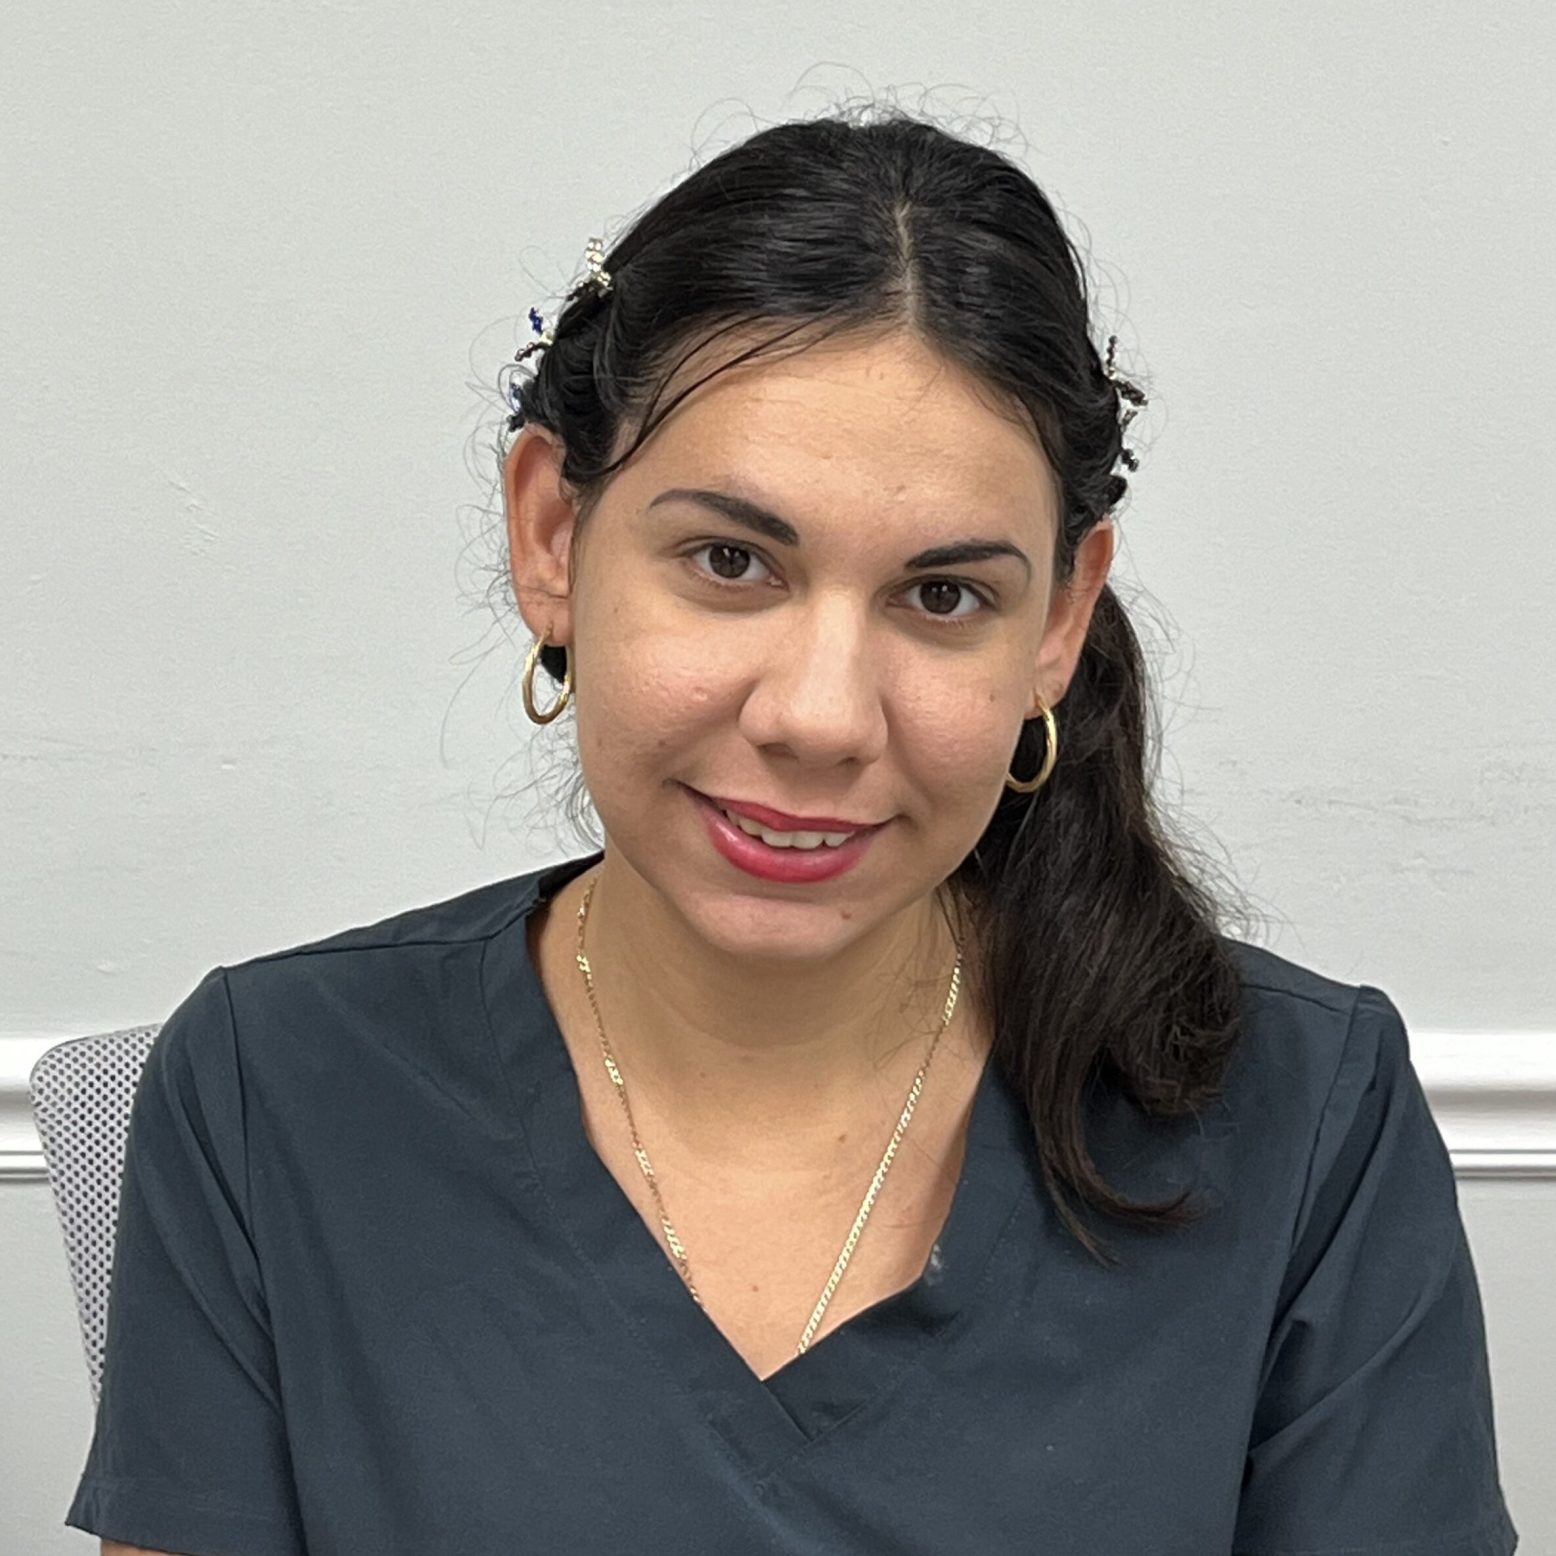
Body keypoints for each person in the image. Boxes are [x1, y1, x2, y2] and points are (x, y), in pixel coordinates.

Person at [68, 105, 1518, 1555]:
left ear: (1061, 619)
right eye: (730, 561)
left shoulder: (1301, 1119)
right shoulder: (281, 1093)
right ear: (553, 538)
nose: (822, 717)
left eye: (942, 596)